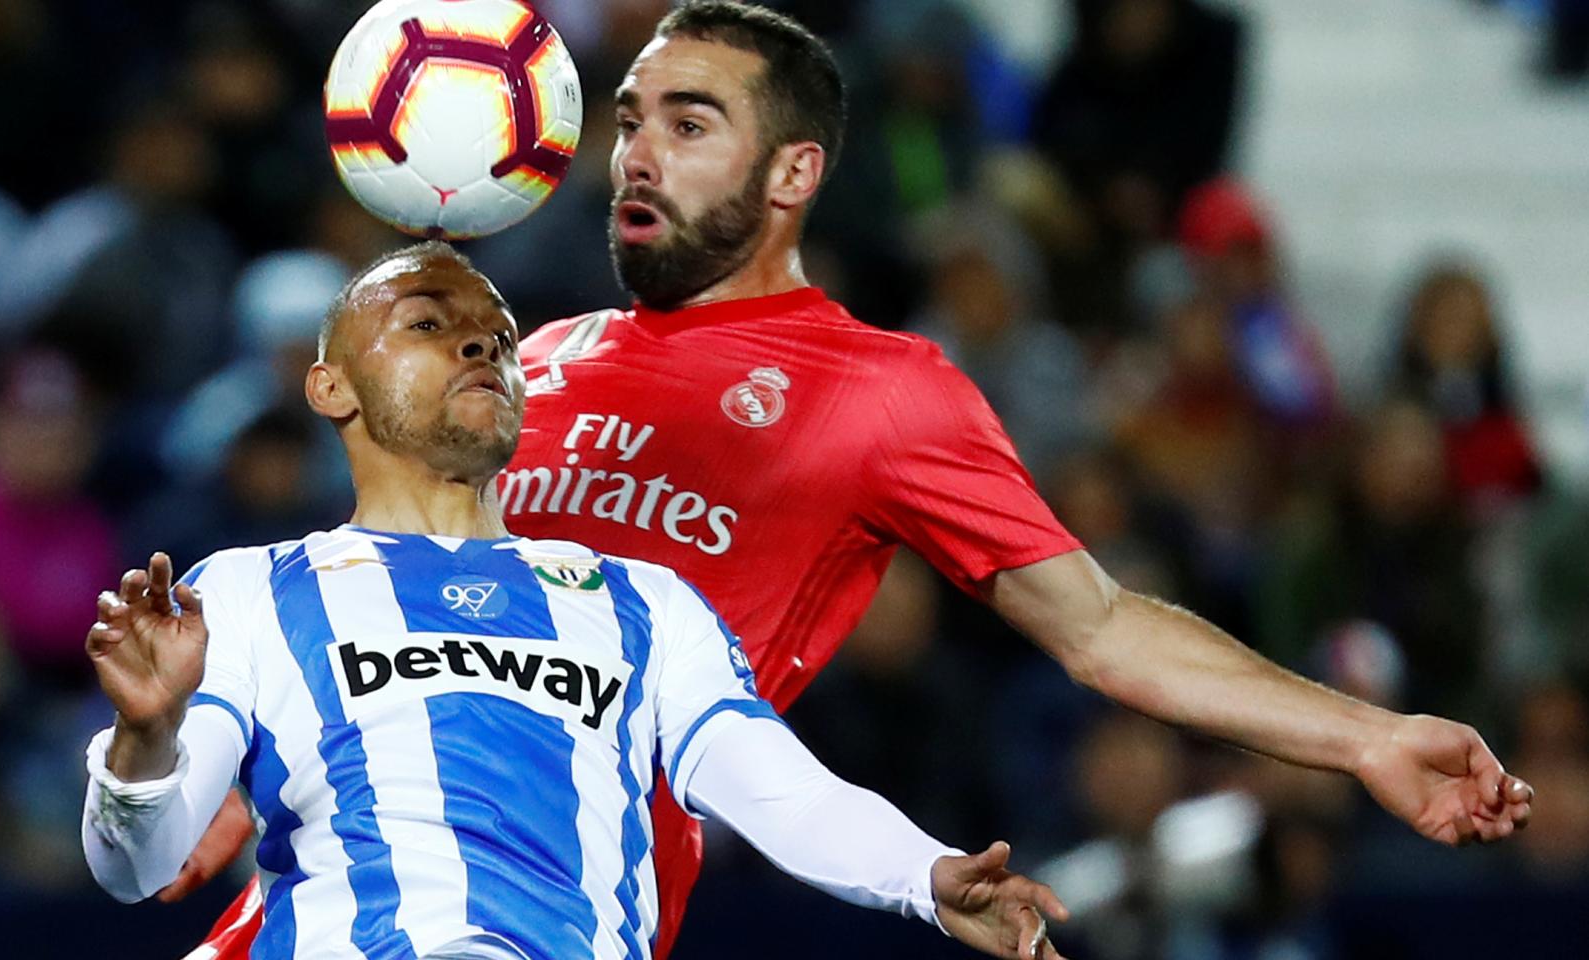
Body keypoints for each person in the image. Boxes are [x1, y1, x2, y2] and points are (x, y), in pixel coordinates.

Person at [179, 3, 1532, 958]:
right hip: (329, 892)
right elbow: (373, 598)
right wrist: (239, 761)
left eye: (688, 125)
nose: (636, 154)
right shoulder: (536, 357)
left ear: (792, 174)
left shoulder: (879, 392)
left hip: (565, 907)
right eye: (634, 118)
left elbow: (1103, 631)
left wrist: (1361, 737)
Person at [81, 246, 1067, 960]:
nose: (478, 349)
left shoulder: (640, 603)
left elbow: (783, 792)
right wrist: (144, 742)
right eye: (429, 324)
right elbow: (133, 869)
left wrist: (924, 877)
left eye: (496, 338)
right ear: (330, 386)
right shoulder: (248, 592)